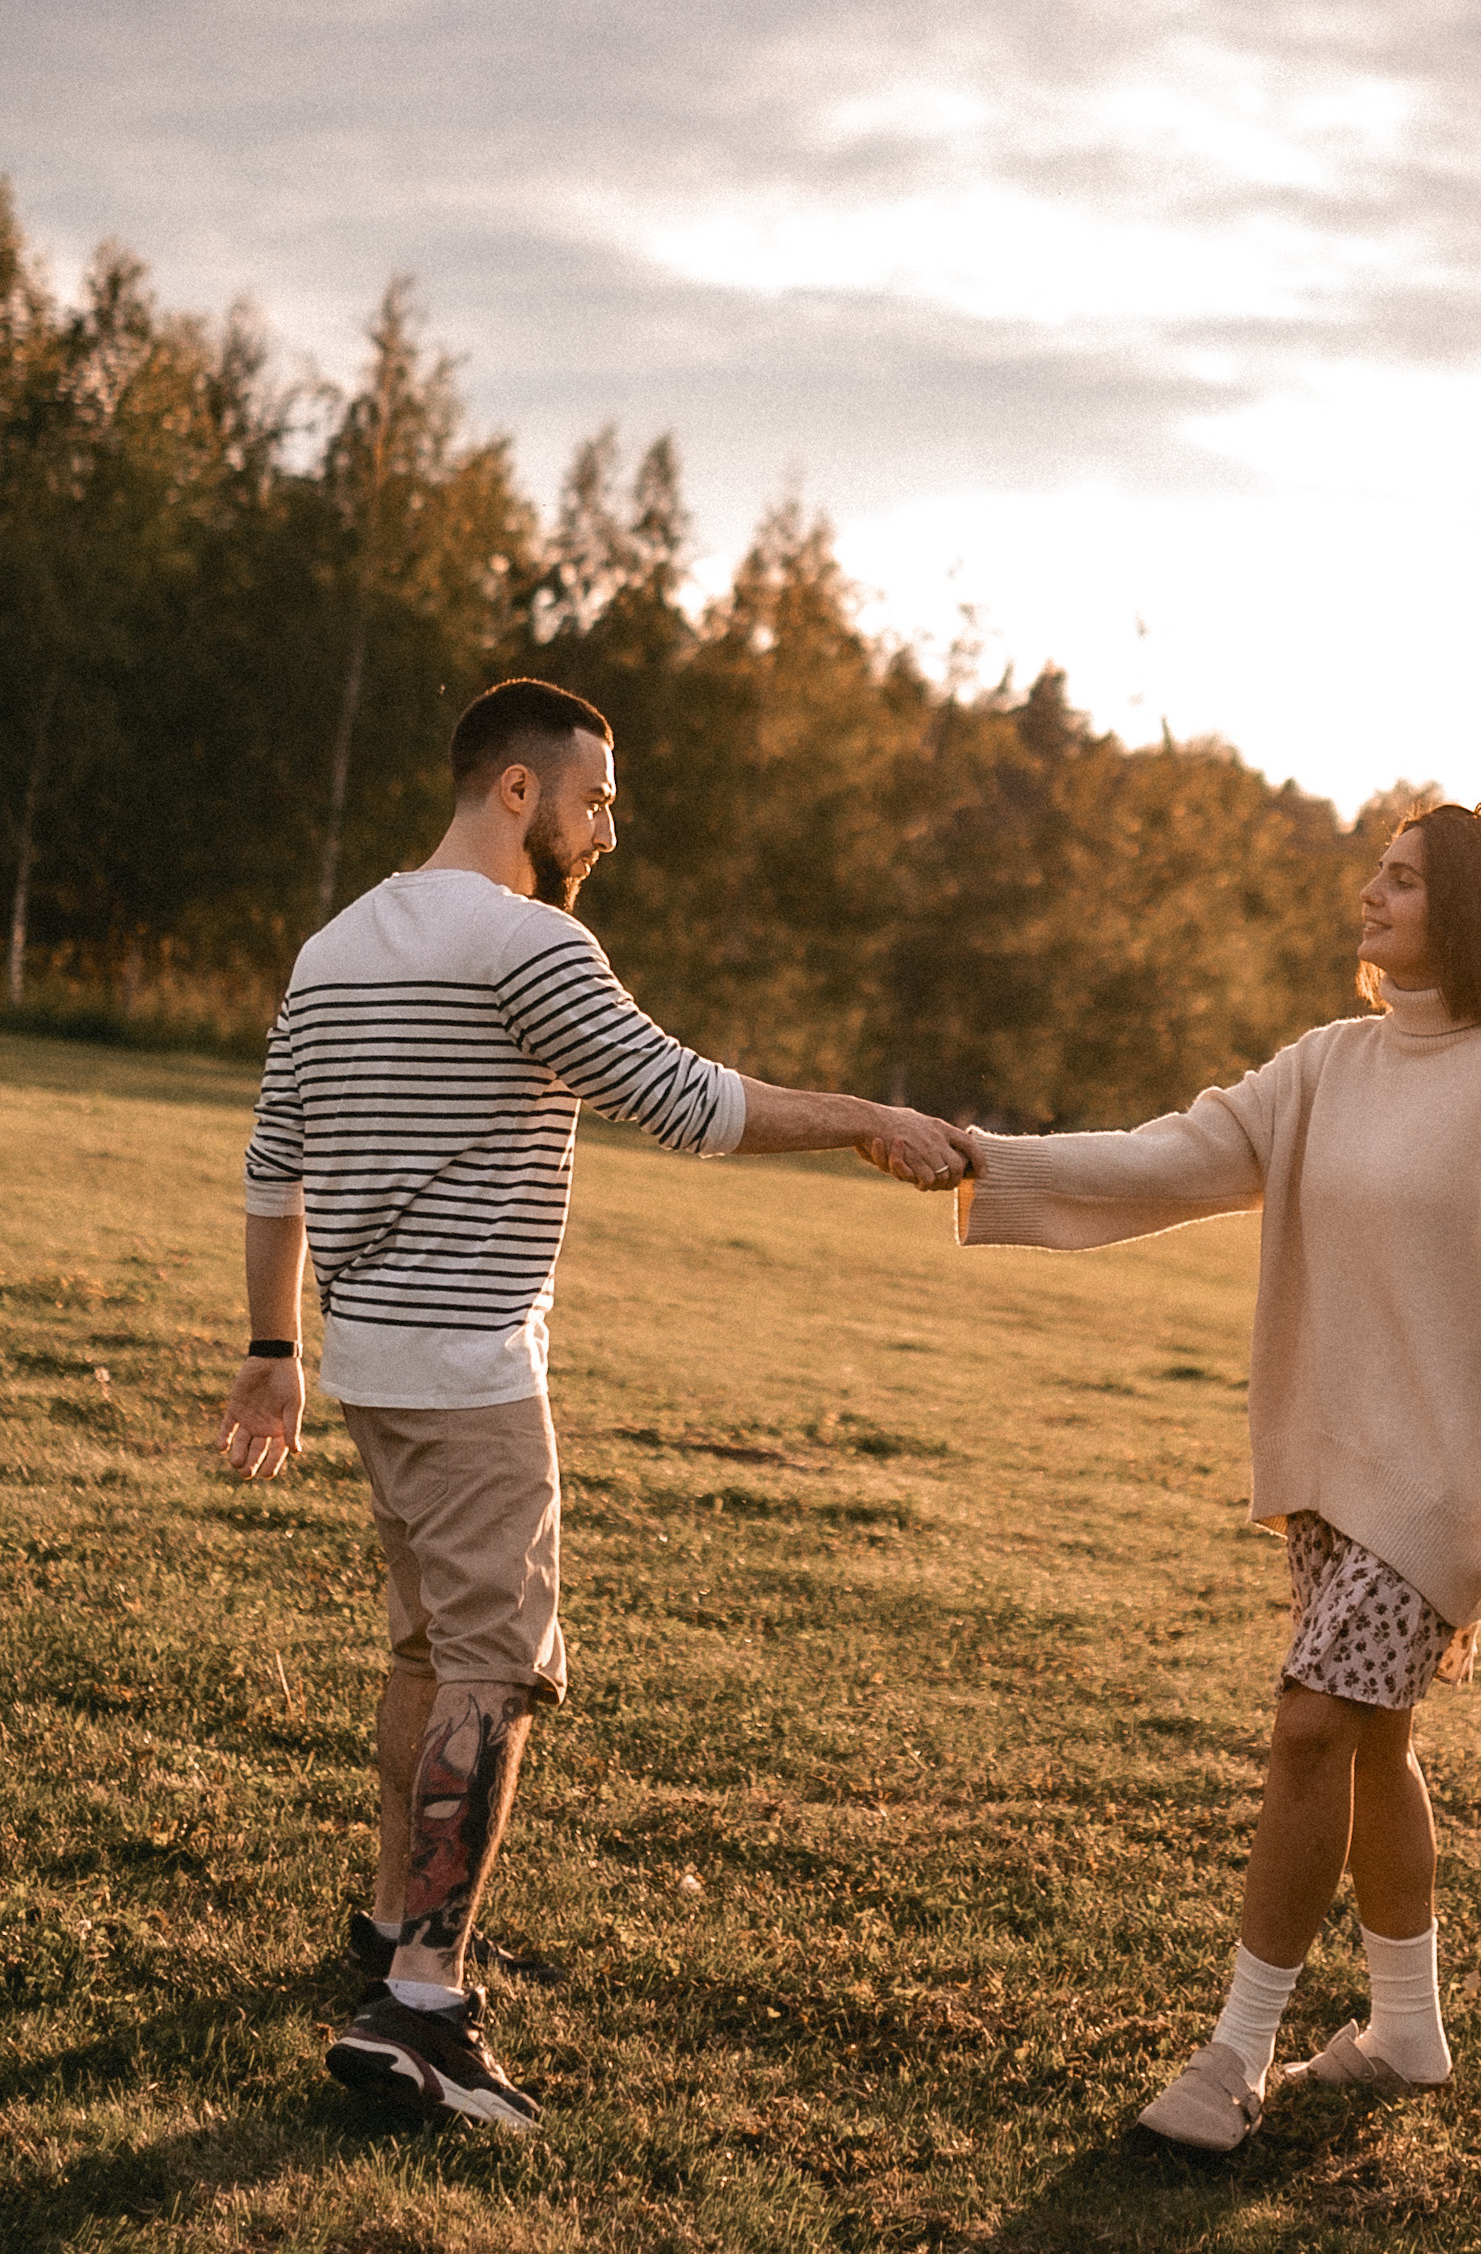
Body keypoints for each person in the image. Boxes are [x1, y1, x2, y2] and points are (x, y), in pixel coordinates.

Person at [217, 675, 972, 2132]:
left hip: (369, 1361)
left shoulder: (333, 947)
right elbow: (684, 1101)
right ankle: (424, 2005)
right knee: (495, 1669)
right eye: (597, 796)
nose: (608, 828)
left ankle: (385, 1929)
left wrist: (272, 1348)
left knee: (430, 1651)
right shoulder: (524, 944)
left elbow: (272, 1168)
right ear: (519, 789)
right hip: (473, 1371)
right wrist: (869, 1118)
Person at [954, 799, 1481, 2152]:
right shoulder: (1332, 1063)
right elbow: (1175, 1152)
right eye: (1375, 873)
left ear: (1464, 910)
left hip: (1445, 1496)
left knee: (1308, 1726)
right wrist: (992, 1158)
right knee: (1369, 1739)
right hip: (1339, 1485)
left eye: (1400, 881)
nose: (1370, 894)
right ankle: (1407, 2030)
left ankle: (1235, 2057)